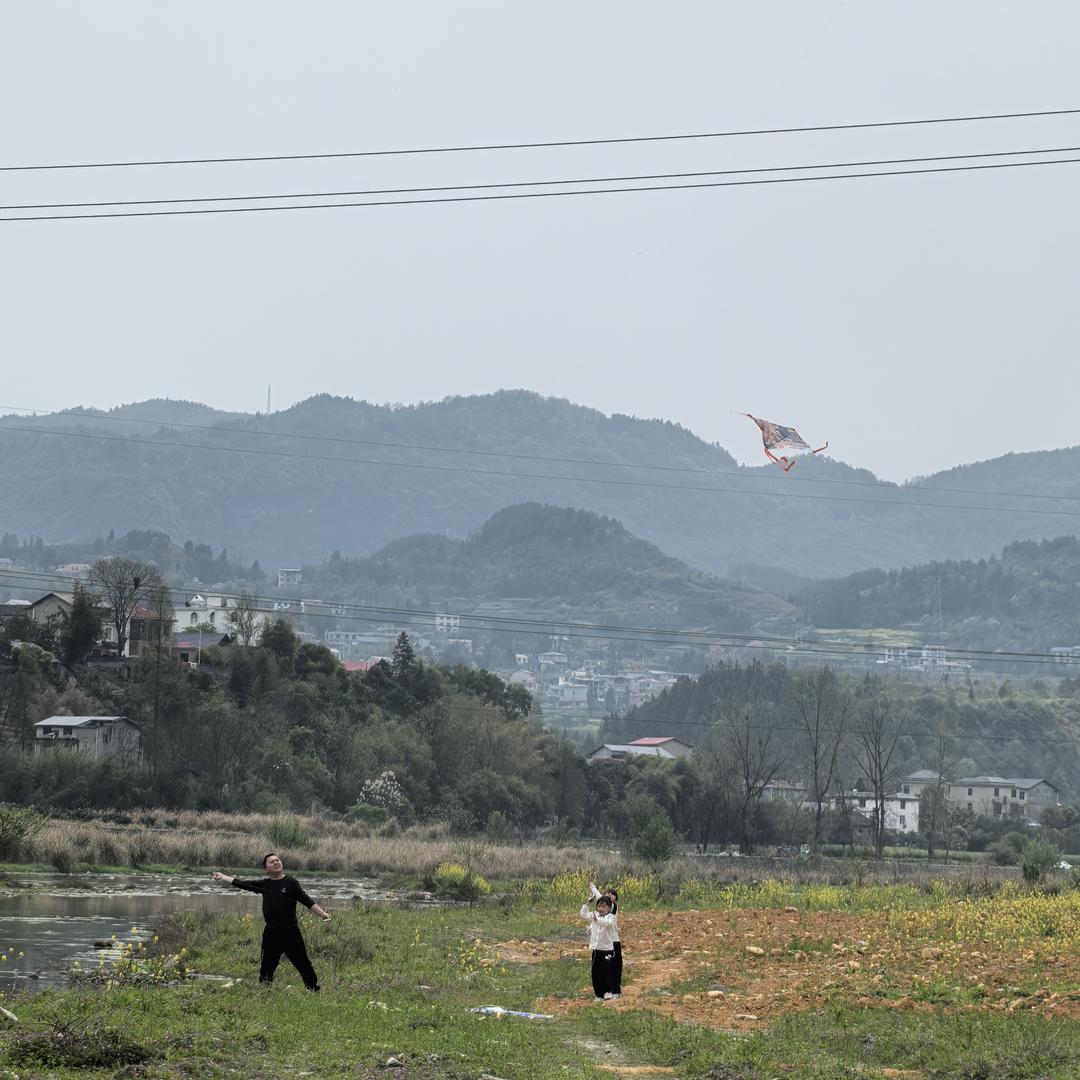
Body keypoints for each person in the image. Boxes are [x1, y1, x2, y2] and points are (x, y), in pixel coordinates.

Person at [212, 853, 331, 990]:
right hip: (271, 932)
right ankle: (264, 989)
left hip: (291, 932)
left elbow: (306, 900)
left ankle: (312, 988)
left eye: (277, 860)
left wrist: (323, 914)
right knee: (267, 964)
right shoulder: (265, 884)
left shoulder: (291, 883)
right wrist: (223, 876)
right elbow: (242, 883)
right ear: (266, 869)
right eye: (272, 862)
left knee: (302, 962)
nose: (276, 863)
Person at [580, 892, 617, 1001]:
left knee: (604, 971)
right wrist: (588, 903)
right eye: (599, 906)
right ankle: (598, 995)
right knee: (595, 973)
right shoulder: (595, 914)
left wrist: (597, 920)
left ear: (609, 908)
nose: (600, 908)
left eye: (603, 906)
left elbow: (607, 924)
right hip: (596, 950)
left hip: (607, 950)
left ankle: (607, 991)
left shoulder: (611, 917)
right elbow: (583, 914)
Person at [591, 883, 622, 998]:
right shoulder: (600, 911)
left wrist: (593, 888)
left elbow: (601, 898)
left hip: (614, 942)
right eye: (607, 893)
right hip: (602, 944)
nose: (609, 894)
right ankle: (604, 992)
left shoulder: (613, 907)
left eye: (612, 894)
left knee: (615, 967)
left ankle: (615, 991)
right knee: (602, 969)